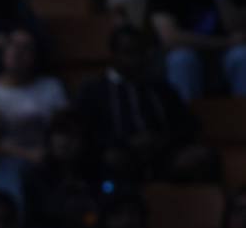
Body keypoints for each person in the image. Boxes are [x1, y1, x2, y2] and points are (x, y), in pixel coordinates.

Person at [76, 25, 209, 183]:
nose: (135, 59)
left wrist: (159, 140)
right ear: (113, 55)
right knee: (111, 160)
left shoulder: (160, 88)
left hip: (162, 154)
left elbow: (187, 124)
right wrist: (126, 144)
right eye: (128, 52)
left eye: (139, 52)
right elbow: (87, 132)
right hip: (119, 154)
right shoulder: (94, 91)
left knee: (197, 158)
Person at [0, 27, 69, 161]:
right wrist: (27, 155)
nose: (17, 51)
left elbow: (64, 129)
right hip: (0, 164)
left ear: (36, 55)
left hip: (47, 162)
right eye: (12, 44)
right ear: (2, 51)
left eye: (26, 47)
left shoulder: (51, 87)